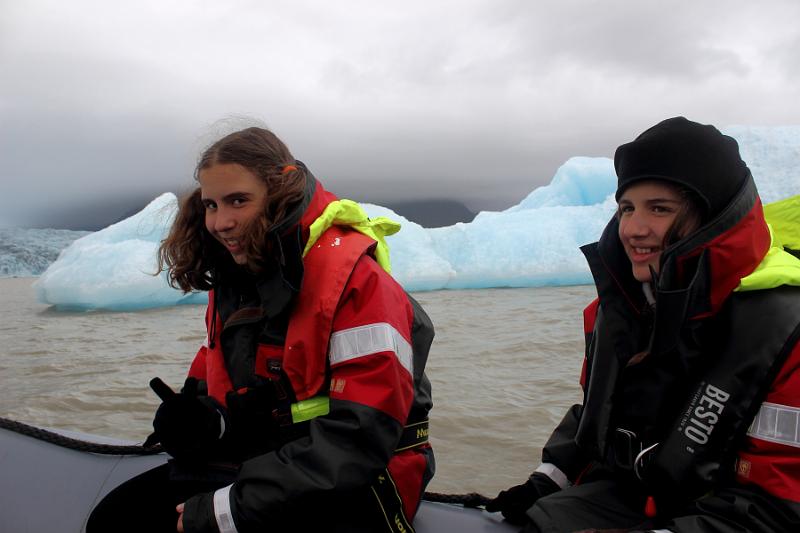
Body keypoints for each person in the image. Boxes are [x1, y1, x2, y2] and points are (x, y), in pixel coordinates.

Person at [87, 126, 435, 533]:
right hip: (269, 462)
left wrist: (228, 510)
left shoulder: (358, 284)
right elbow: (218, 369)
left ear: (279, 191)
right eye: (211, 205)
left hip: (356, 482)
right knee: (115, 519)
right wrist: (201, 417)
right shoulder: (240, 279)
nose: (221, 222)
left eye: (238, 200)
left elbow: (360, 437)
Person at [486, 117, 800, 532]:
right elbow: (596, 417)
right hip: (631, 501)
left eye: (660, 209)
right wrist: (545, 481)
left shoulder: (784, 331)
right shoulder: (616, 310)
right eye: (626, 208)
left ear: (716, 218)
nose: (634, 229)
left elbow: (778, 509)